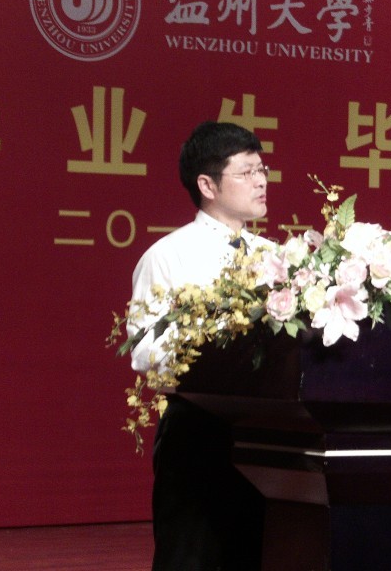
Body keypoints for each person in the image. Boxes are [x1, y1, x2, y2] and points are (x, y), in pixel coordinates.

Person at [128, 121, 271, 571]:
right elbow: (145, 351)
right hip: (198, 432)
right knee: (192, 558)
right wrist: (216, 338)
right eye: (246, 172)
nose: (261, 181)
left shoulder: (273, 257)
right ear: (207, 185)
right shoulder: (168, 256)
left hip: (265, 432)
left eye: (262, 170)